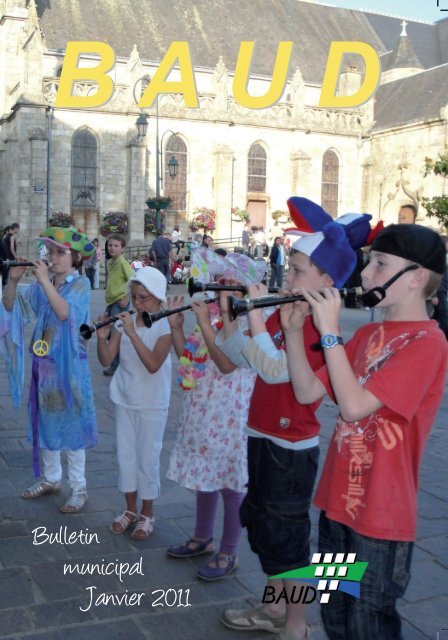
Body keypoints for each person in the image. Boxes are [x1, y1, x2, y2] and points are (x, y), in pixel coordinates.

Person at [282, 223, 448, 640]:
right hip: (338, 505)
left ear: (415, 277)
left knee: (368, 624)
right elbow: (306, 392)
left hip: (380, 519)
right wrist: (291, 330)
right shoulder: (369, 333)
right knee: (336, 616)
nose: (367, 275)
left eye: (379, 264)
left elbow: (355, 408)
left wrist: (331, 331)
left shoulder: (428, 343)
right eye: (370, 262)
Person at [216, 198, 372, 640]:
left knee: (291, 545)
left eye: (299, 269)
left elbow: (276, 371)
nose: (288, 275)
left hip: (290, 448)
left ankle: (297, 625)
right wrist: (231, 319)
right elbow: (240, 358)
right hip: (261, 433)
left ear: (327, 279)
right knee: (266, 531)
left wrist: (261, 320)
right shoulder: (292, 312)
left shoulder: (322, 330)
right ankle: (272, 610)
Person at [166, 248, 265, 581]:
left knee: (229, 483)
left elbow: (225, 363)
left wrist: (207, 322)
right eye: (219, 285)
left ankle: (229, 551)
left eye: (230, 287)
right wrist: (177, 326)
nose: (221, 292)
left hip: (231, 414)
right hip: (204, 409)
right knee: (205, 477)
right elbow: (188, 357)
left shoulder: (250, 323)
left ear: (243, 292)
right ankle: (202, 536)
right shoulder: (213, 316)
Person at [0, 226, 98, 513]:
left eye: (60, 252)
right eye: (51, 251)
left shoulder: (79, 284)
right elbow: (9, 306)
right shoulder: (46, 284)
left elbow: (65, 313)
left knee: (73, 425)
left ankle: (79, 487)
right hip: (45, 369)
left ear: (76, 258)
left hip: (71, 368)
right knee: (46, 422)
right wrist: (13, 282)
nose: (53, 257)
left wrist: (43, 281)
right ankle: (52, 478)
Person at [96, 267, 172, 539]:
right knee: (125, 456)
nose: (138, 303)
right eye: (135, 297)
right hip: (125, 397)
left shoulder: (165, 324)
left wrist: (132, 333)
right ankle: (129, 510)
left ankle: (147, 513)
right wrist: (101, 337)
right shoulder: (123, 323)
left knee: (148, 457)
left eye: (144, 298)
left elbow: (153, 364)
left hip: (152, 401)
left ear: (158, 297)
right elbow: (106, 360)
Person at [103, 234, 134, 376]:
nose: (112, 248)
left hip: (119, 301)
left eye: (116, 246)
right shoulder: (109, 263)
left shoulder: (123, 263)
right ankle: (117, 361)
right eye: (110, 245)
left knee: (116, 333)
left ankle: (116, 365)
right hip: (111, 301)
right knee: (110, 333)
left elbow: (133, 279)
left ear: (123, 249)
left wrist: (126, 296)